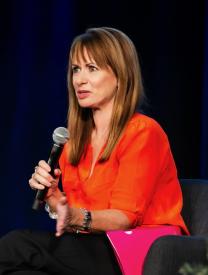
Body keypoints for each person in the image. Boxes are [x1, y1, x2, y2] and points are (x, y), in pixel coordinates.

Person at [0, 27, 189, 275]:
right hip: (92, 247)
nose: (79, 79)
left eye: (92, 68)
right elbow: (75, 217)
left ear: (120, 75)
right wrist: (54, 199)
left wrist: (75, 218)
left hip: (140, 250)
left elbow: (123, 219)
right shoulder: (73, 140)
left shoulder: (143, 132)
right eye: (76, 69)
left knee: (16, 245)